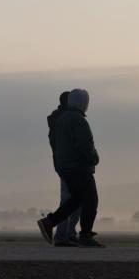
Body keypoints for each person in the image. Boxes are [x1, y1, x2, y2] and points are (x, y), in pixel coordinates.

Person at [37, 89, 105, 248]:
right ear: (83, 102)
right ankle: (85, 235)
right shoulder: (78, 120)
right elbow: (85, 145)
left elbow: (54, 142)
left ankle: (49, 222)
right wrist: (94, 158)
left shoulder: (61, 120)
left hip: (64, 167)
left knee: (76, 199)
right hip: (79, 167)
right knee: (91, 200)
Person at [47, 91, 81, 246]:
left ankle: (68, 233)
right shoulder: (64, 121)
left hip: (65, 164)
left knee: (75, 199)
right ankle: (62, 235)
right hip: (69, 165)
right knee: (70, 200)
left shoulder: (58, 120)